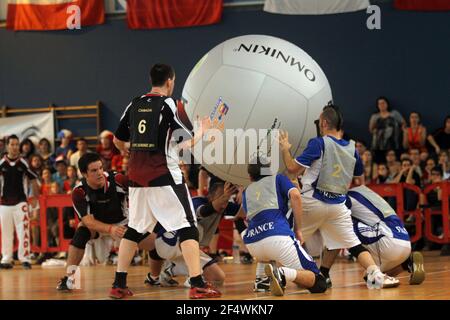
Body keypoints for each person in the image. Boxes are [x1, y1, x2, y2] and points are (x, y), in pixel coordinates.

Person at [112, 63, 219, 299]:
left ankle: (118, 284)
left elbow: (117, 140)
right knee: (188, 226)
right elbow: (185, 143)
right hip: (163, 175)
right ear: (170, 81)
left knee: (134, 229)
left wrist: (129, 152)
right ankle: (198, 283)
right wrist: (203, 130)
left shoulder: (134, 102)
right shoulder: (169, 104)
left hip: (137, 178)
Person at [279, 104, 399, 289]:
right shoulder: (352, 148)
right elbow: (358, 174)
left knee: (283, 237)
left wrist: (285, 149)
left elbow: (292, 170)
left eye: (320, 121)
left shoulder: (318, 143)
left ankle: (276, 275)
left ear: (325, 123)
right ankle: (376, 274)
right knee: (354, 244)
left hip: (312, 201)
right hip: (338, 205)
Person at [56, 153, 154, 291]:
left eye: (101, 168)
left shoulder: (118, 179)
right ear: (84, 174)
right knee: (81, 233)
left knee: (156, 244)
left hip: (123, 223)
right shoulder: (79, 192)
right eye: (94, 170)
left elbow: (141, 191)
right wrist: (110, 229)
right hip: (97, 227)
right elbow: (88, 221)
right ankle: (70, 278)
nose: (100, 173)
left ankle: (158, 275)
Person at [235, 160, 327, 296]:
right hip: (277, 240)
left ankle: (262, 280)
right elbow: (295, 196)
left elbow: (239, 217)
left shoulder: (247, 191)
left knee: (268, 249)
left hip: (254, 246)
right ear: (270, 171)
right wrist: (298, 230)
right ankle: (282, 273)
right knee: (319, 282)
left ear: (250, 177)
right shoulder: (278, 178)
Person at [147, 182, 238, 287]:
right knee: (196, 229)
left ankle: (170, 269)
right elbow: (204, 211)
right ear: (210, 195)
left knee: (218, 278)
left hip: (181, 247)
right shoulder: (196, 201)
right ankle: (192, 278)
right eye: (222, 196)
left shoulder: (224, 205)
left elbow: (245, 210)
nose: (225, 201)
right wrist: (225, 197)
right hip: (168, 243)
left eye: (227, 197)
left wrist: (243, 192)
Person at [347, 185, 425, 285]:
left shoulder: (346, 197)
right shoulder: (366, 191)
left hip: (389, 242)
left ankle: (324, 273)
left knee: (343, 230)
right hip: (404, 240)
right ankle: (407, 263)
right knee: (372, 278)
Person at [0, 135, 39, 269]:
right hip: (4, 203)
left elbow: (33, 179)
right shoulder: (1, 163)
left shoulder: (24, 162)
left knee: (24, 231)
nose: (15, 147)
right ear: (7, 146)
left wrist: (35, 198)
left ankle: (25, 258)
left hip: (21, 202)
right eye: (12, 144)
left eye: (17, 144)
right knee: (6, 232)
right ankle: (6, 258)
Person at [369, 97, 405, 164]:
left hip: (393, 143)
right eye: (379, 104)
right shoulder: (375, 116)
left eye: (383, 103)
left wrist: (402, 129)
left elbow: (403, 123)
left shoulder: (394, 114)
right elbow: (371, 129)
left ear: (387, 104)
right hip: (378, 145)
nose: (382, 105)